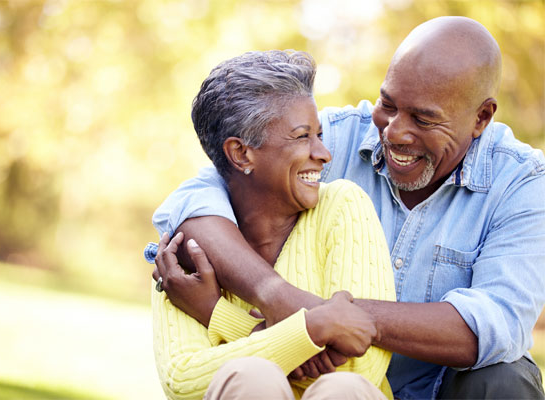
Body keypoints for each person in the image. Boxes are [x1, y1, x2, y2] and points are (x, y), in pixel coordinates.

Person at [150, 16, 545, 399]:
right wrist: (277, 297)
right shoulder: (333, 138)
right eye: (387, 104)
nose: (394, 132)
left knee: (506, 379)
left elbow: (495, 325)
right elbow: (197, 199)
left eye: (423, 119)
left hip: (436, 389)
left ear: (481, 117)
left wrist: (324, 321)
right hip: (314, 385)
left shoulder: (523, 183)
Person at [148, 50, 396, 399]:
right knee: (250, 378)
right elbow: (184, 380)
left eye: (320, 135)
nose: (324, 154)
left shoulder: (343, 206)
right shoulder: (186, 251)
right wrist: (313, 329)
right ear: (241, 153)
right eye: (301, 137)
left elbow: (361, 367)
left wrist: (218, 315)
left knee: (342, 388)